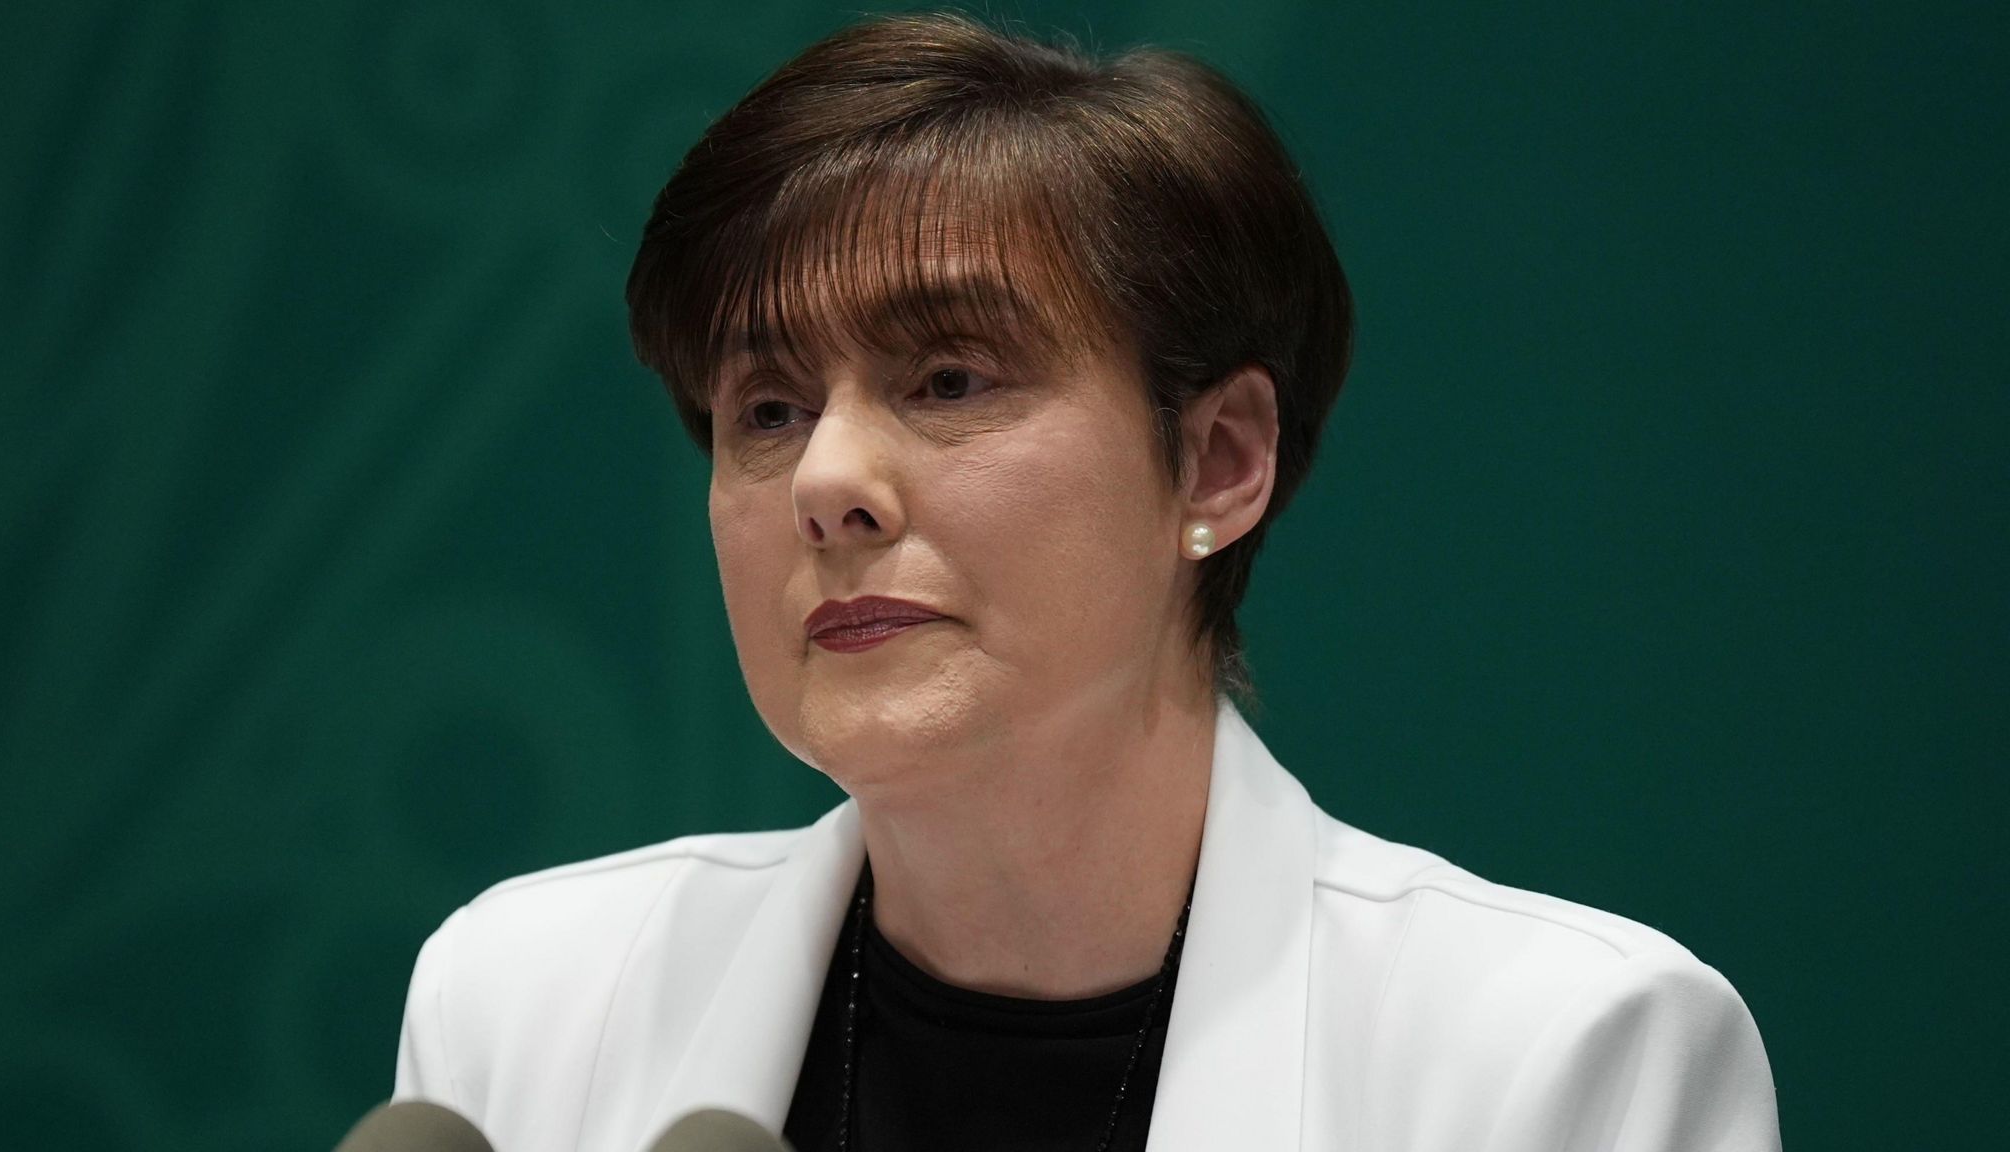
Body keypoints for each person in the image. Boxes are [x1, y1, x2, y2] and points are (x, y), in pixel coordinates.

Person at [392, 12, 1782, 1152]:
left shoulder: (1561, 1061)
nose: (826, 481)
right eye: (765, 410)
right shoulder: (526, 1005)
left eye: (947, 378)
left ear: (1217, 463)